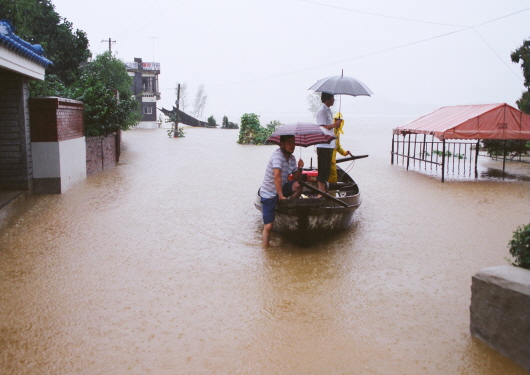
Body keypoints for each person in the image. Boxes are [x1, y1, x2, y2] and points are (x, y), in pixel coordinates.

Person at [259, 135, 304, 247]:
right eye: (289, 143)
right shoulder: (277, 155)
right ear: (282, 144)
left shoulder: (292, 158)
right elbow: (277, 177)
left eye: (293, 143)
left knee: (299, 185)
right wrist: (280, 196)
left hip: (281, 187)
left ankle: (288, 205)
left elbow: (296, 177)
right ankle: (265, 250)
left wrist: (300, 168)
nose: (292, 145)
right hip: (269, 192)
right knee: (268, 226)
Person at [316, 93, 342, 194]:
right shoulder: (322, 111)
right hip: (323, 144)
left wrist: (335, 125)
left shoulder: (328, 111)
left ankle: (323, 192)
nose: (334, 100)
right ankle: (320, 193)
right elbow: (321, 128)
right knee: (323, 170)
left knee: (326, 171)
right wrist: (334, 125)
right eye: (332, 98)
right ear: (327, 99)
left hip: (328, 145)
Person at [329, 111, 352, 183]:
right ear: (335, 120)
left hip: (332, 159)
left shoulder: (337, 133)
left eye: (341, 120)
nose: (340, 122)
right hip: (327, 158)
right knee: (328, 176)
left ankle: (332, 192)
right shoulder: (330, 130)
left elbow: (338, 146)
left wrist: (345, 153)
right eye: (338, 120)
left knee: (333, 176)